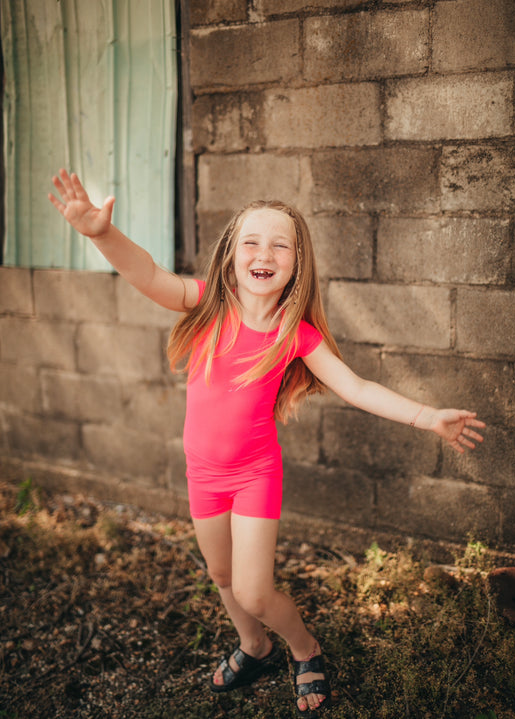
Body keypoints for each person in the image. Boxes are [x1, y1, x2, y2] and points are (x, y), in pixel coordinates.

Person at [48, 169, 485, 718]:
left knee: (255, 592)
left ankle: (305, 649)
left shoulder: (294, 333)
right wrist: (100, 234)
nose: (265, 252)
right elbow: (147, 274)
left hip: (254, 474)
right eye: (252, 241)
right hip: (202, 474)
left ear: (296, 265)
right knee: (222, 577)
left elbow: (356, 386)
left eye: (281, 244)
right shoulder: (205, 304)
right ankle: (255, 646)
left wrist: (428, 417)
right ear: (232, 255)